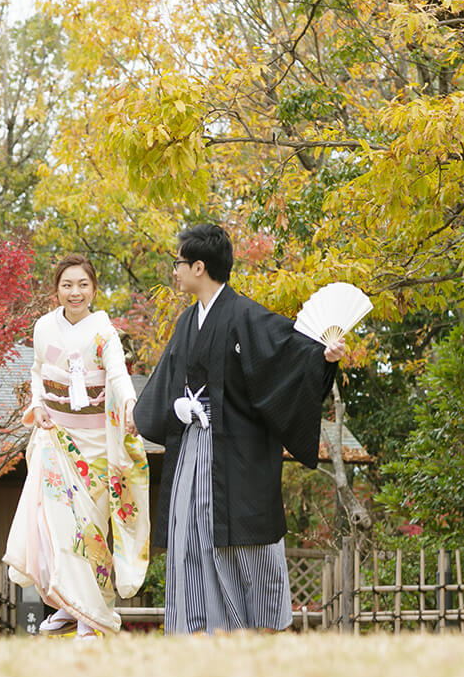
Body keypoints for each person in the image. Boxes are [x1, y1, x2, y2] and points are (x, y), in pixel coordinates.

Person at [133, 224, 344, 634]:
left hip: (240, 452)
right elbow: (168, 383)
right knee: (190, 538)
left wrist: (324, 356)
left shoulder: (246, 315)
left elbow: (290, 352)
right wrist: (178, 405)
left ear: (199, 266)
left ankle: (263, 629)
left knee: (252, 543)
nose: (174, 271)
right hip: (194, 449)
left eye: (179, 263)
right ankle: (199, 632)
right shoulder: (185, 322)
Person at [3, 255, 150, 639]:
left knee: (90, 533)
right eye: (67, 285)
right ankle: (67, 607)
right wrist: (37, 405)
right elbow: (37, 373)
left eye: (83, 285)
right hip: (56, 439)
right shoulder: (43, 328)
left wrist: (131, 404)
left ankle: (90, 613)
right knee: (52, 528)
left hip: (96, 446)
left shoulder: (104, 333)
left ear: (94, 290)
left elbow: (117, 375)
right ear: (56, 289)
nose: (75, 292)